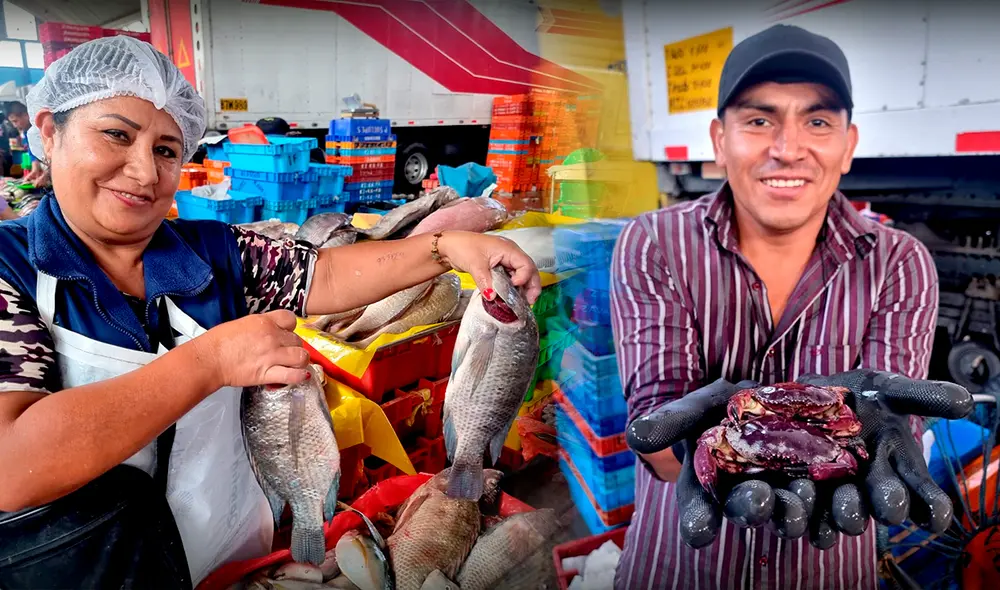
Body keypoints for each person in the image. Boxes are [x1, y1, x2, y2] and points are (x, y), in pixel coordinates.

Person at [0, 37, 540, 588]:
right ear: (48, 131)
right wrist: (209, 362)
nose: (144, 171)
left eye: (167, 149)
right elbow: (9, 464)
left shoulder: (215, 253)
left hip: (229, 561)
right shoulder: (9, 271)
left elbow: (326, 274)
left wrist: (445, 247)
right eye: (116, 134)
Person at [610, 24, 972, 589]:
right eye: (759, 120)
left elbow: (891, 425)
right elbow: (656, 433)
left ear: (848, 145)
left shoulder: (900, 264)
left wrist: (882, 431)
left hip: (829, 569)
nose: (787, 147)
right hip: (680, 566)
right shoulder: (654, 244)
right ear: (718, 139)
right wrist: (719, 441)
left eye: (818, 121)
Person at [6, 101, 49, 188]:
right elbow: (32, 152)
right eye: (12, 122)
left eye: (16, 121)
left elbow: (58, 155)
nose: (15, 126)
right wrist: (35, 169)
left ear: (26, 115)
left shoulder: (43, 129)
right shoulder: (27, 132)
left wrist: (47, 175)